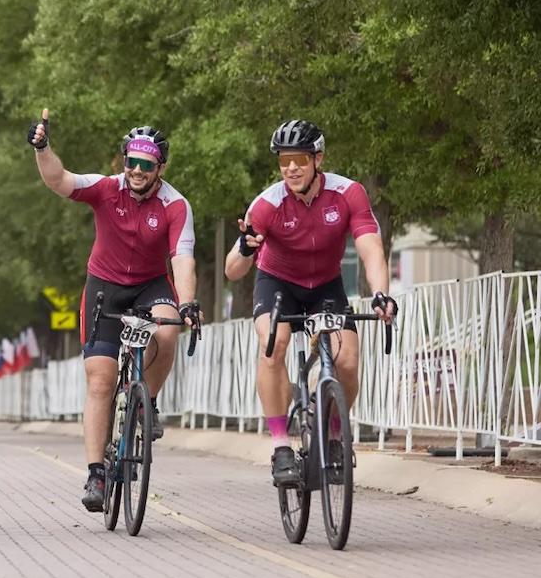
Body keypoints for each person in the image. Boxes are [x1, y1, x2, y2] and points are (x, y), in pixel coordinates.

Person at [29, 108, 199, 513]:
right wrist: (43, 147)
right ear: (124, 161)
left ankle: (147, 401)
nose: (137, 170)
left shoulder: (176, 205)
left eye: (147, 164)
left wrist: (188, 302)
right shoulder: (106, 188)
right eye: (132, 162)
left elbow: (183, 257)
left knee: (168, 327)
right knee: (101, 382)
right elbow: (60, 179)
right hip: (104, 287)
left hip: (150, 285)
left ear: (160, 167)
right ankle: (96, 473)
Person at [224, 120, 397, 485]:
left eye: (300, 159)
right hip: (277, 284)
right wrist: (244, 247)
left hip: (325, 286)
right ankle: (281, 447)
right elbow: (232, 271)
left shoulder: (348, 193)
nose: (291, 168)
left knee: (347, 359)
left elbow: (370, 248)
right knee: (274, 345)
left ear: (318, 158)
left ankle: (335, 435)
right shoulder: (267, 204)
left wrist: (381, 292)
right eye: (284, 160)